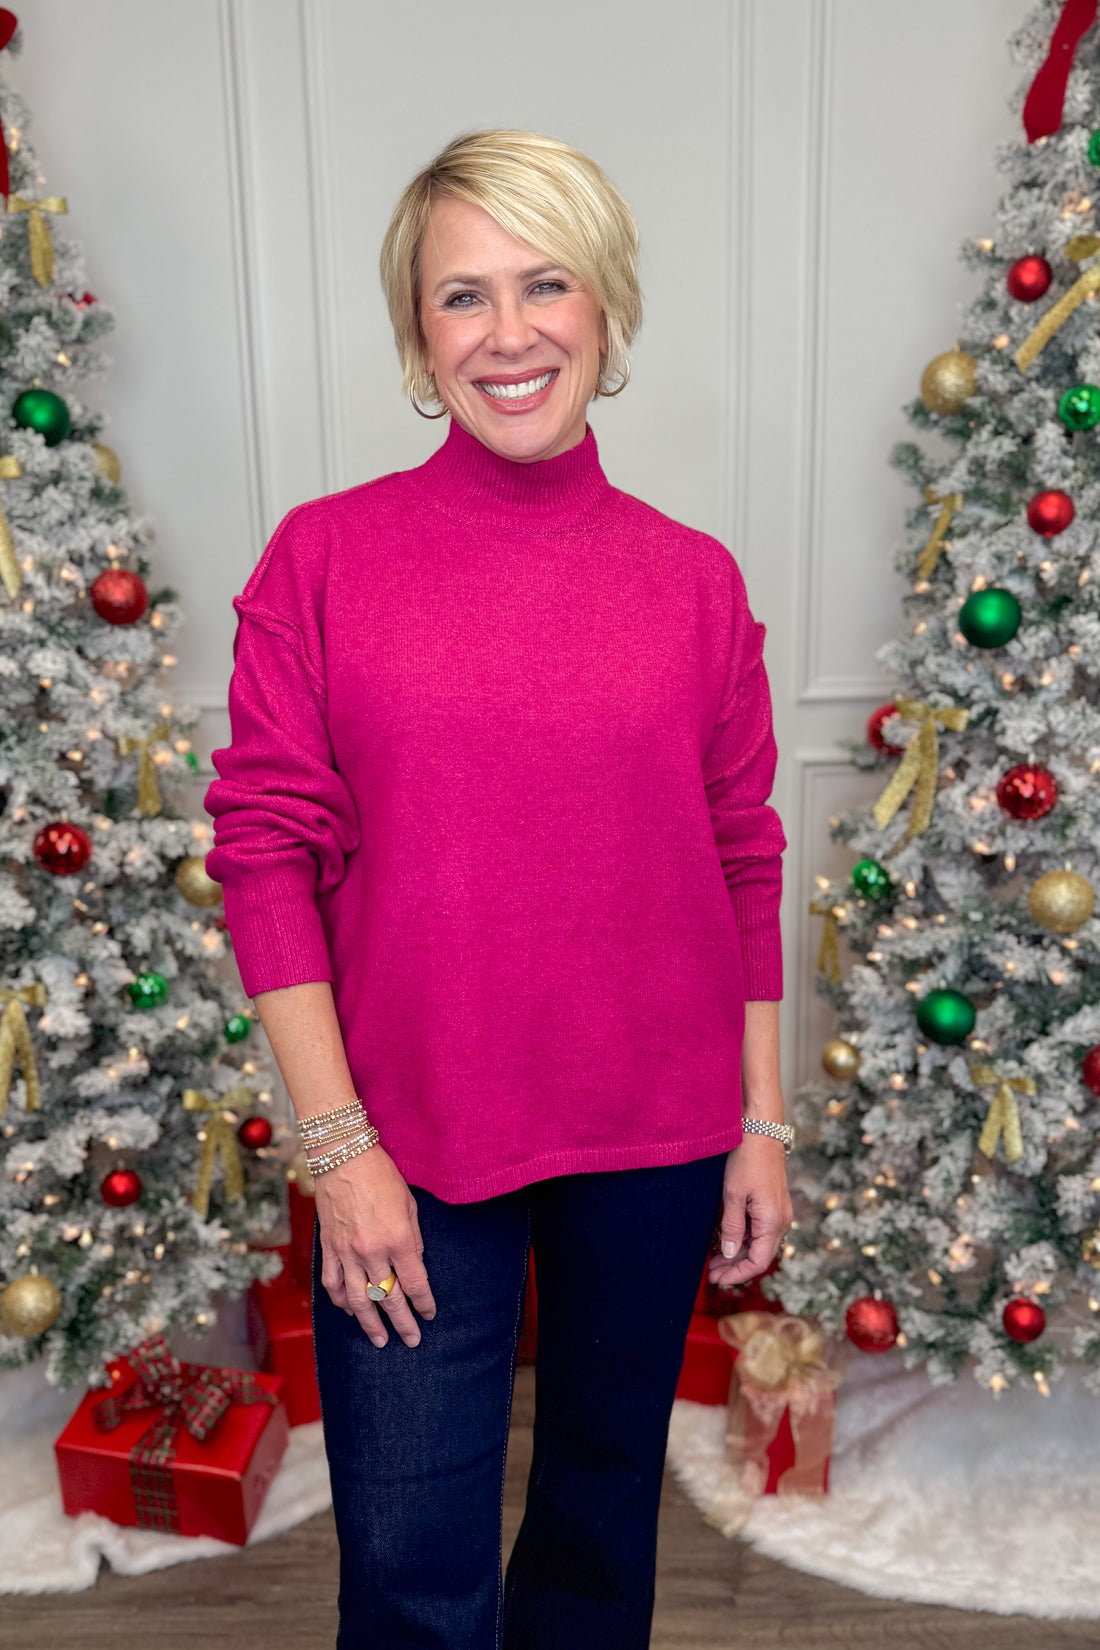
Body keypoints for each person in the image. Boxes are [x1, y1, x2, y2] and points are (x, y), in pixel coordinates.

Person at [204, 128, 793, 1650]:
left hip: (656, 1134)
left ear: (606, 304)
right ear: (419, 334)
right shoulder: (325, 561)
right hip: (406, 1139)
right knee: (411, 1566)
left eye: (546, 284)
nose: (511, 332)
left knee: (600, 1533)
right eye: (462, 297)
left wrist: (761, 1123)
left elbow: (743, 850)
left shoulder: (698, 579)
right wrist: (337, 1150)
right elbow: (264, 850)